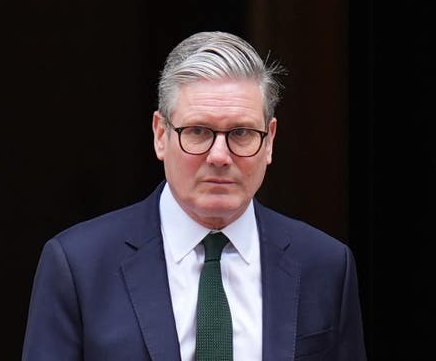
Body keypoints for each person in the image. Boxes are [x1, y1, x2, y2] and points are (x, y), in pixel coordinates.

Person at [22, 31, 367, 360]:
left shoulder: (326, 266)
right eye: (198, 131)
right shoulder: (79, 266)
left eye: (242, 133)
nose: (219, 156)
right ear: (160, 135)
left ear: (270, 140)